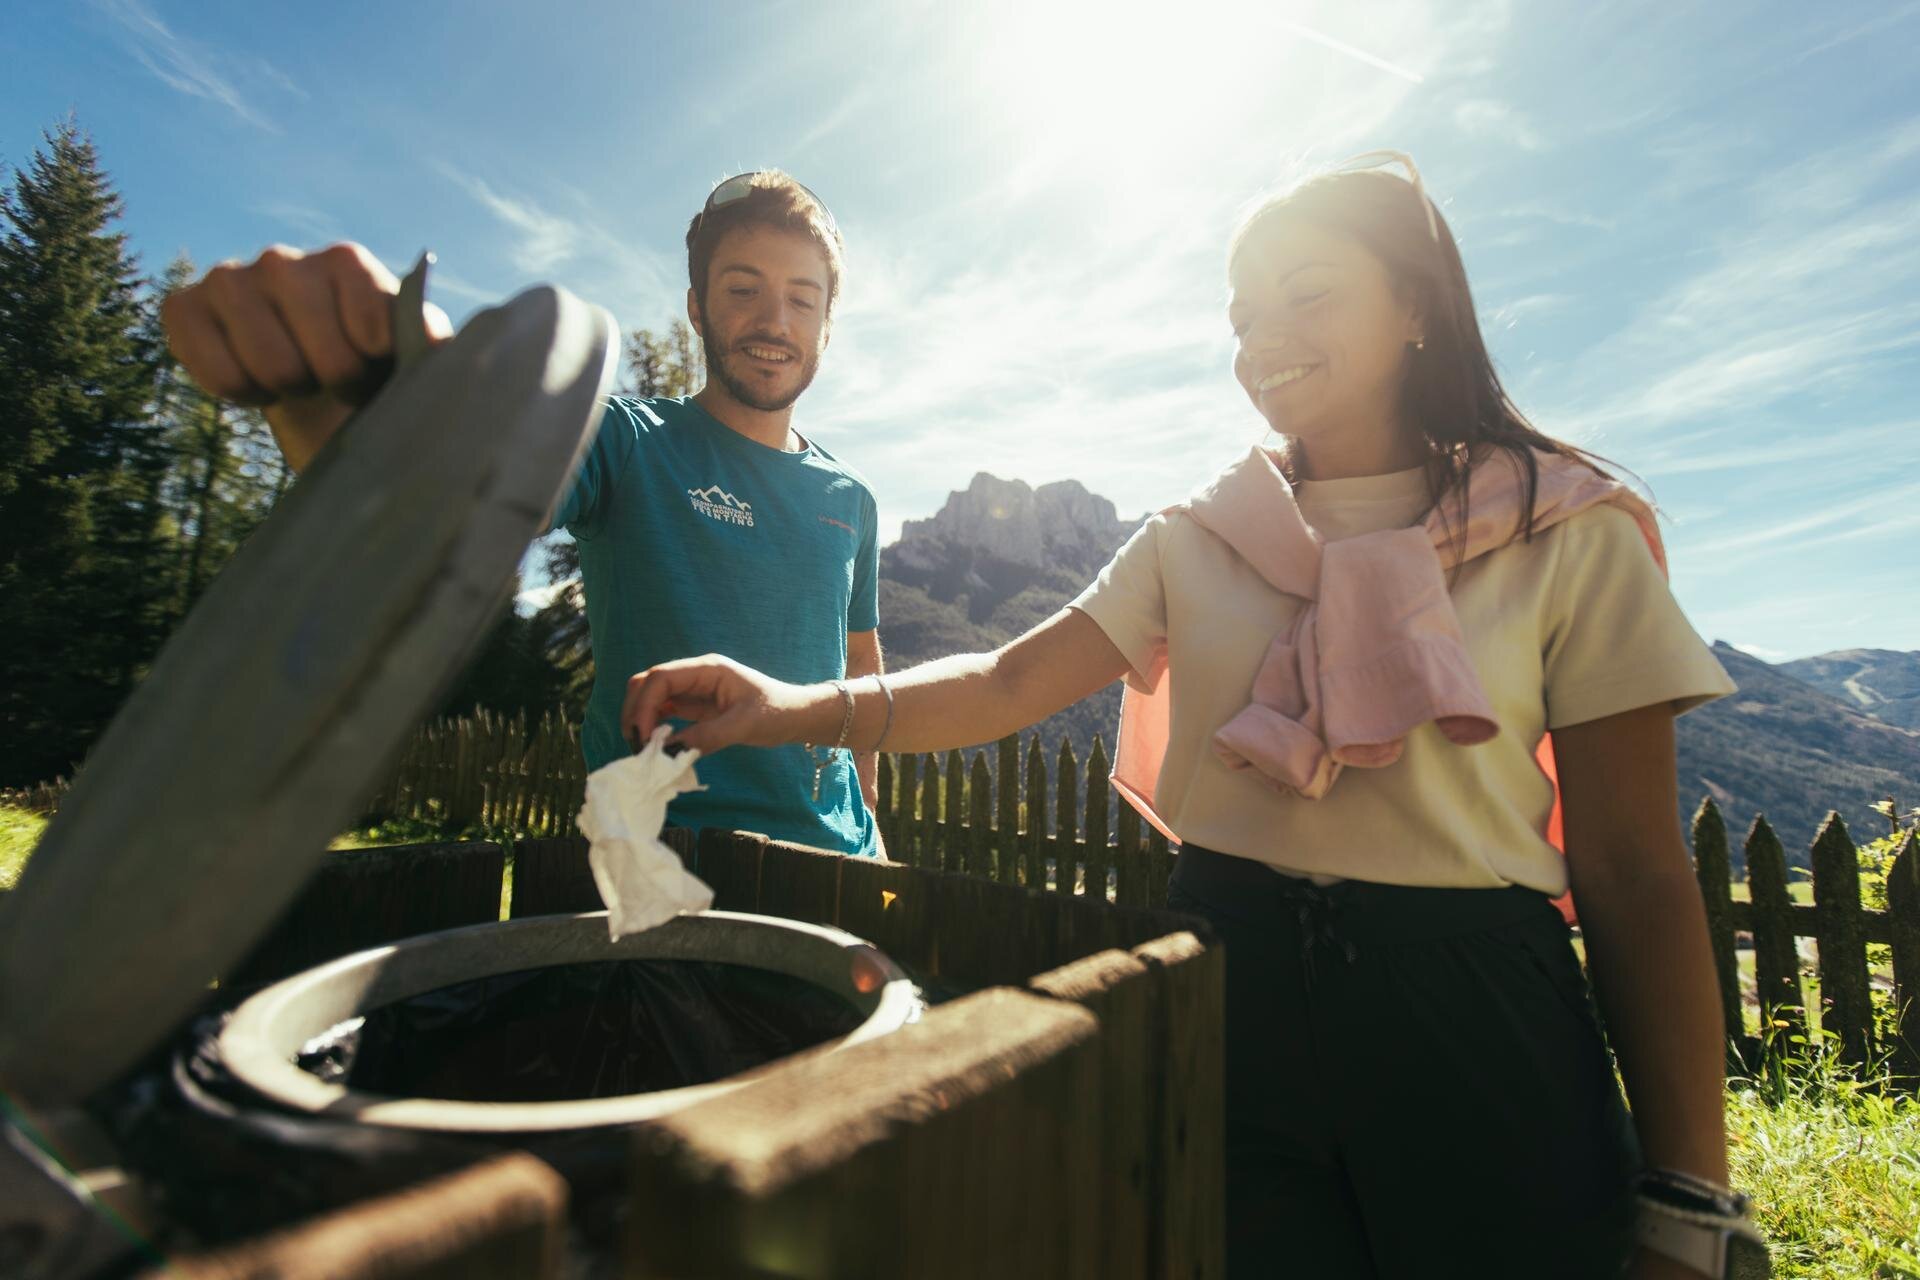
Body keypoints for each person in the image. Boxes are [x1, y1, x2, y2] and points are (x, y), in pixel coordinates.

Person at [620, 156, 1759, 1279]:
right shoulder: (1199, 533)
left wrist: (1690, 1197)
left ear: (1417, 302)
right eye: (1244, 311)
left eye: (1309, 293)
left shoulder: (1566, 528)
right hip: (1230, 996)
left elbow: (1634, 870)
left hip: (1478, 1022)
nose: (1266, 335)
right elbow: (1005, 683)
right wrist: (785, 705)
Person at [162, 171, 887, 858]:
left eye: (802, 298)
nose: (774, 321)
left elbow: (859, 670)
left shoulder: (850, 498)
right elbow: (452, 496)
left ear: (828, 323)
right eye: (742, 288)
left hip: (840, 861)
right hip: (663, 866)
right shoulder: (625, 441)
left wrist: (872, 833)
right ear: (696, 307)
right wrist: (344, 410)